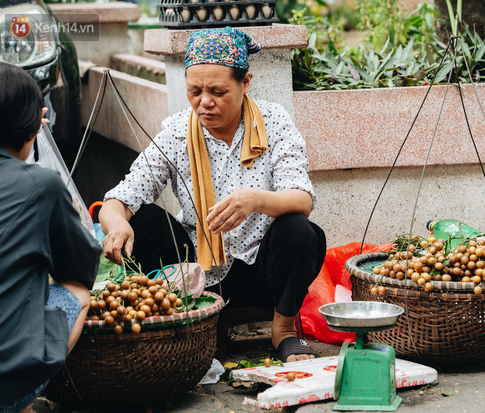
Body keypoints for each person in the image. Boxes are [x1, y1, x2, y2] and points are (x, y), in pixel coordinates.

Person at [99, 27, 327, 363]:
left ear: (245, 83)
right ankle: (177, 323)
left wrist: (255, 200)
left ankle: (284, 330)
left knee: (298, 230)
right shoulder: (178, 131)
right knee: (143, 218)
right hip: (195, 273)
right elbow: (121, 197)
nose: (204, 102)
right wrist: (116, 223)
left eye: (218, 91)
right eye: (194, 91)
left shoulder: (274, 121)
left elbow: (302, 198)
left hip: (259, 270)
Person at [0, 63, 102, 412]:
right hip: (2, 384)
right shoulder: (42, 184)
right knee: (78, 293)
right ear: (33, 124)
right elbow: (81, 270)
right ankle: (21, 402)